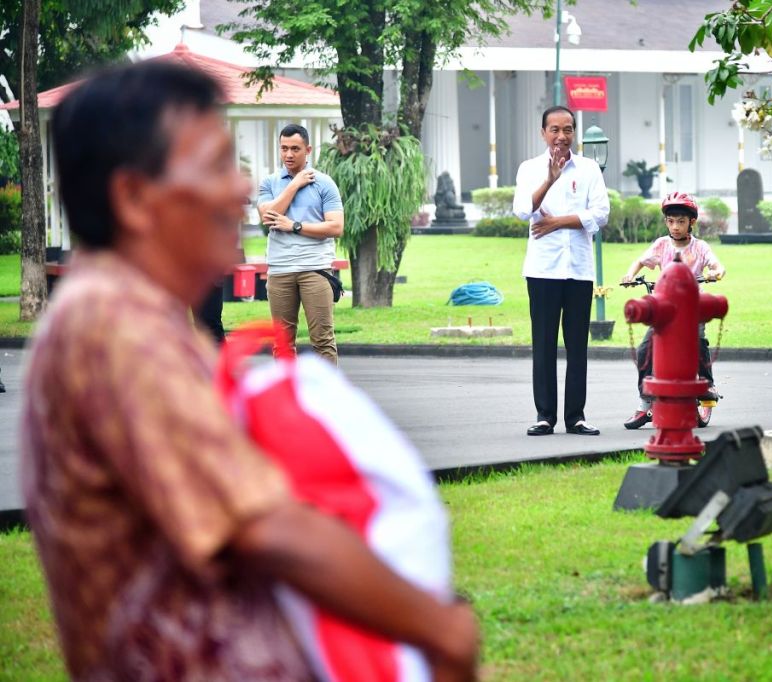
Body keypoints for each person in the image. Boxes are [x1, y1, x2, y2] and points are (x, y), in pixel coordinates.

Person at [20, 61, 477, 681]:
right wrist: (438, 627)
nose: (238, 191)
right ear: (133, 197)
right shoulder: (116, 329)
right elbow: (266, 527)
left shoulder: (128, 316)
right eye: (214, 167)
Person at [512, 105, 610, 436]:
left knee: (577, 346)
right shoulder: (529, 168)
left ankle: (576, 417)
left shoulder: (589, 169)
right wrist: (550, 180)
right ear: (543, 133)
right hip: (543, 270)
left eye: (567, 129)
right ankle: (545, 416)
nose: (561, 136)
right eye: (554, 129)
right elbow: (522, 210)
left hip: (579, 270)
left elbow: (601, 214)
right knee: (543, 344)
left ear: (574, 133)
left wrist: (557, 222)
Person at [620, 193, 725, 430]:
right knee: (645, 350)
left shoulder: (700, 247)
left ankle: (707, 383)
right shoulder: (661, 244)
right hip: (665, 310)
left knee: (697, 340)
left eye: (681, 221)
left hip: (692, 307)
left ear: (691, 222)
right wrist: (630, 275)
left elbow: (718, 266)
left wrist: (715, 273)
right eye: (670, 221)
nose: (675, 227)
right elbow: (640, 261)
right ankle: (645, 403)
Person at [257, 124, 344, 364]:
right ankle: (288, 390)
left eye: (295, 149)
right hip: (280, 270)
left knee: (323, 340)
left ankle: (327, 390)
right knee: (282, 344)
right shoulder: (269, 183)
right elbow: (268, 217)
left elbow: (336, 227)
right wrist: (295, 183)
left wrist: (294, 225)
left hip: (315, 269)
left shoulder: (324, 183)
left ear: (308, 150)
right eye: (284, 148)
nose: (288, 154)